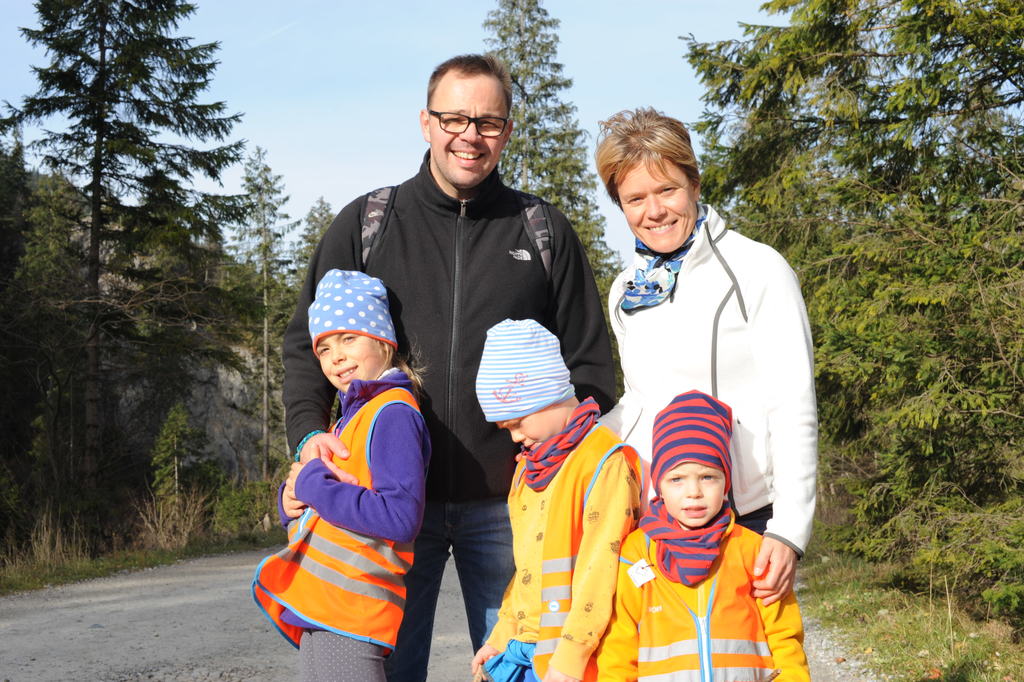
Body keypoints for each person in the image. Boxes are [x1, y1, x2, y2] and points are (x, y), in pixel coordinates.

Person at [281, 54, 616, 681]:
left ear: (507, 131)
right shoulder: (368, 224)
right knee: (389, 672)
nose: (470, 135)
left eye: (488, 122)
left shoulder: (542, 230)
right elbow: (307, 345)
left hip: (514, 505)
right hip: (387, 508)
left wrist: (555, 463)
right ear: (426, 122)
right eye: (454, 118)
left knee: (519, 668)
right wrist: (307, 438)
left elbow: (592, 366)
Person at [594, 107, 818, 605]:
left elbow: (793, 402)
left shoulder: (758, 269)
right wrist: (574, 441)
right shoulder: (626, 290)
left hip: (748, 518)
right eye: (635, 199)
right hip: (661, 519)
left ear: (694, 184)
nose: (654, 211)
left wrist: (789, 530)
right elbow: (640, 400)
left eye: (667, 190)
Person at [253, 269, 431, 682]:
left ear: (384, 341)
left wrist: (313, 485)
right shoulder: (349, 416)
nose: (335, 356)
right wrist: (291, 499)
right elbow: (329, 497)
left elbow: (400, 516)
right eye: (324, 347)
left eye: (349, 338)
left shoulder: (393, 413)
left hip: (353, 608)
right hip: (326, 607)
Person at [469, 319, 642, 682]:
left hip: (577, 658)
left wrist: (569, 659)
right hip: (527, 649)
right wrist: (501, 635)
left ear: (548, 396)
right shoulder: (528, 469)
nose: (515, 437)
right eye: (505, 428)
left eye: (518, 422)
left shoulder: (603, 462)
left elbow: (601, 568)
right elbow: (525, 569)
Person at [595, 390, 809, 681]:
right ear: (659, 483)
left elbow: (784, 635)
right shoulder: (636, 553)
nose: (694, 492)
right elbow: (619, 645)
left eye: (708, 477)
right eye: (677, 479)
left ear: (726, 481)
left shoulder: (752, 550)